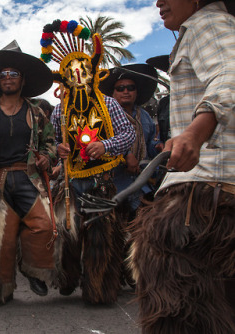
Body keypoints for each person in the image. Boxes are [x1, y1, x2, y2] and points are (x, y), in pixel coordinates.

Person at [129, 0, 235, 333]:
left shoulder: (207, 24)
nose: (158, 2)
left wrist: (194, 132)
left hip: (207, 191)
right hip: (215, 188)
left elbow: (231, 74)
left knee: (178, 305)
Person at [40, 19, 135, 304]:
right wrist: (60, 150)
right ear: (65, 77)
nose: (78, 75)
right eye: (72, 72)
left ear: (92, 71)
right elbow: (53, 143)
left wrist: (103, 145)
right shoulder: (58, 111)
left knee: (100, 237)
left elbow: (128, 134)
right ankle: (68, 279)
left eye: (83, 69)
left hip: (101, 180)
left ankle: (99, 290)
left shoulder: (108, 103)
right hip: (70, 181)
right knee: (67, 235)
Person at [0, 40, 58, 306]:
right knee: (4, 238)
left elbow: (51, 144)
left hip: (28, 177)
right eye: (3, 75)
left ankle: (32, 270)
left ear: (22, 80)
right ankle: (1, 289)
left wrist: (46, 157)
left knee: (44, 226)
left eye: (13, 74)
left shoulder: (36, 112)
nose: (8, 78)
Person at [99, 63, 164, 216]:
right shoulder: (103, 117)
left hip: (142, 182)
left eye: (130, 87)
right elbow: (100, 143)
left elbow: (151, 143)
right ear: (112, 93)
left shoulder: (145, 116)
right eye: (120, 88)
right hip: (114, 184)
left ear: (136, 91)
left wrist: (158, 147)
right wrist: (126, 155)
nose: (126, 91)